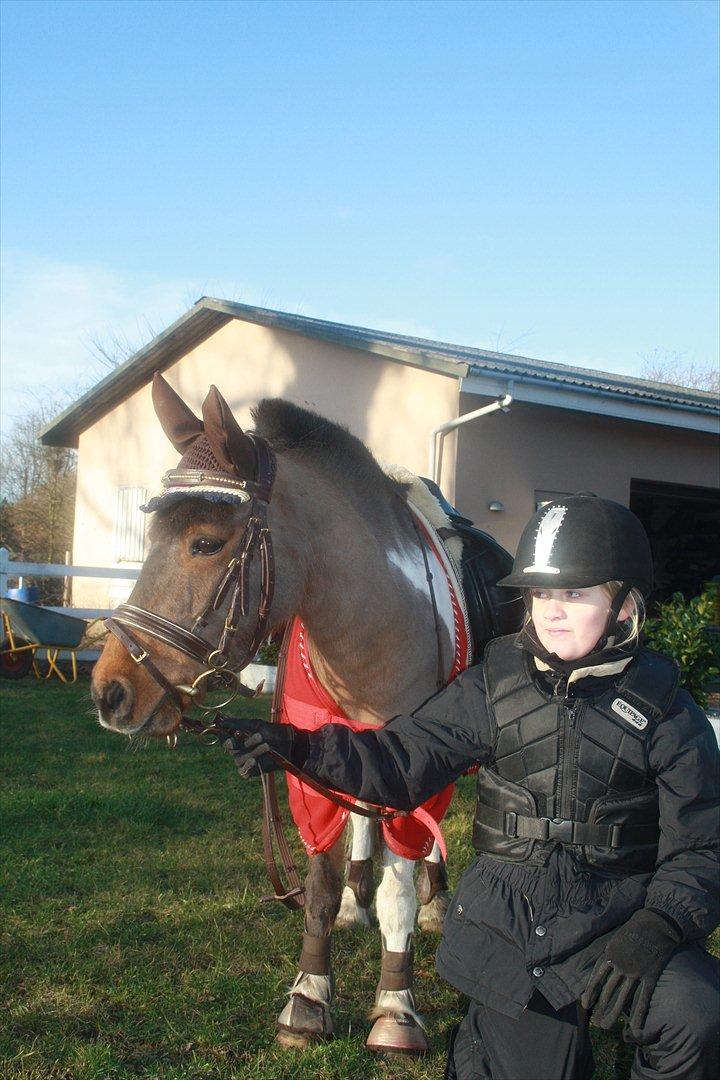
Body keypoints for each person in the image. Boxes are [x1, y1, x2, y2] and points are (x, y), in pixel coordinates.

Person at [224, 494, 720, 1080]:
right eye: (541, 595)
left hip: (619, 920)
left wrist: (657, 928)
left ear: (626, 606)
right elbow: (401, 758)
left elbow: (703, 846)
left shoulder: (668, 712)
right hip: (511, 928)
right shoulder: (493, 685)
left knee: (698, 1011)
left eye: (575, 594)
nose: (552, 612)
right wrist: (299, 748)